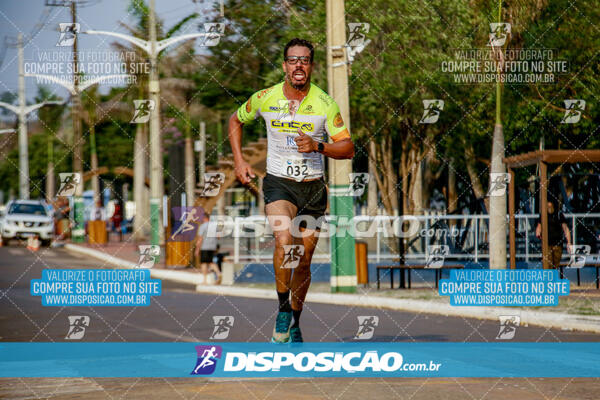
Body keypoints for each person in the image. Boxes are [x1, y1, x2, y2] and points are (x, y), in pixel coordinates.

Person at [229, 38, 355, 343]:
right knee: (284, 240)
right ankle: (283, 308)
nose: (299, 65)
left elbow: (348, 148)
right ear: (285, 65)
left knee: (304, 260)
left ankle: (295, 320)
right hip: (278, 184)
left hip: (312, 189)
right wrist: (239, 161)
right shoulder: (265, 97)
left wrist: (318, 145)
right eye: (293, 60)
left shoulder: (324, 103)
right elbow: (235, 119)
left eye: (305, 60)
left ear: (311, 66)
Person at [535, 201, 572, 269]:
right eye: (547, 206)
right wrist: (538, 232)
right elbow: (539, 226)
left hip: (557, 244)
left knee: (555, 265)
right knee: (548, 264)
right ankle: (549, 279)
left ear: (553, 206)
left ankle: (553, 278)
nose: (549, 208)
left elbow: (565, 228)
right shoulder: (543, 215)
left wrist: (569, 242)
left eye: (550, 206)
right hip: (547, 244)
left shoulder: (559, 214)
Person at [194, 214, 222, 285]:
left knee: (204, 263)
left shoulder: (203, 226)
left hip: (204, 247)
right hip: (213, 247)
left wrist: (197, 249)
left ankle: (205, 280)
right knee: (210, 262)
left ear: (204, 218)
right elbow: (218, 236)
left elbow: (200, 239)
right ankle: (218, 273)